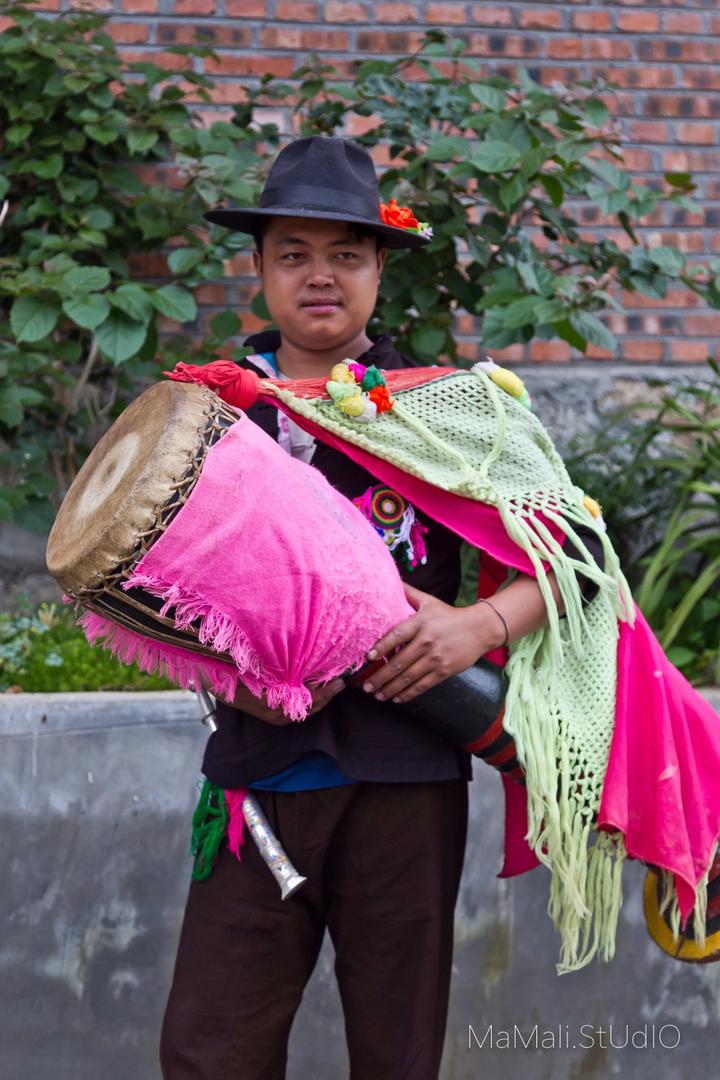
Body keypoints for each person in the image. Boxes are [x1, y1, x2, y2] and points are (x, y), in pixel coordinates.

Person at [159, 136, 604, 1079]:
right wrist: (224, 669)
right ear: (260, 269)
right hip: (258, 778)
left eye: (346, 255)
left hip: (409, 774)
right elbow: (147, 587)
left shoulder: (449, 410)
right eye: (295, 254)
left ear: (379, 269)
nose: (321, 277)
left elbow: (577, 554)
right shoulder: (206, 417)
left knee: (396, 1056)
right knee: (207, 1052)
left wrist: (477, 625)